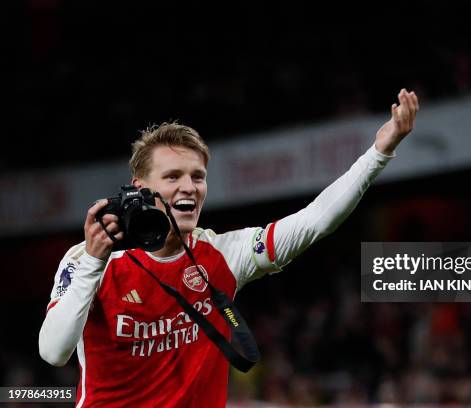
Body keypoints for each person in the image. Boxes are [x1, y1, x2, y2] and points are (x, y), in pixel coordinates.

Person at [38, 89, 419, 407]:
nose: (189, 187)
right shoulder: (89, 260)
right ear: (140, 188)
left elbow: (314, 220)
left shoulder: (223, 253)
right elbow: (54, 352)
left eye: (197, 177)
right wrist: (92, 260)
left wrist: (378, 154)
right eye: (173, 177)